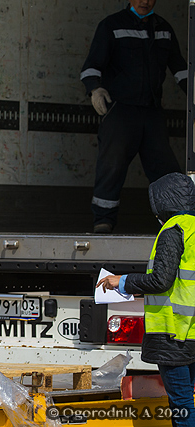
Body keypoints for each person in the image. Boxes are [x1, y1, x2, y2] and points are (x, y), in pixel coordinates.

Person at [80, 0, 187, 234]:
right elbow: (91, 66)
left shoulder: (164, 29)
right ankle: (103, 222)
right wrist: (94, 89)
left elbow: (180, 69)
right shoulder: (111, 25)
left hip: (152, 112)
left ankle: (179, 225)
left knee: (166, 171)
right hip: (120, 111)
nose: (145, 1)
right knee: (111, 167)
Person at [97, 172, 195, 427]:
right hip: (191, 330)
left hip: (174, 334)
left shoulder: (173, 231)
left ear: (162, 202)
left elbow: (161, 281)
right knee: (189, 399)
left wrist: (123, 281)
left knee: (182, 405)